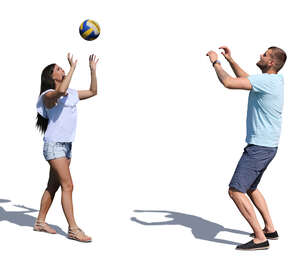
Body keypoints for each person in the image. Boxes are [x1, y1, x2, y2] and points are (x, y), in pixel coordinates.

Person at [206, 46, 286, 250]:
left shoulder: (266, 81)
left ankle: (260, 238)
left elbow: (229, 82)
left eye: (265, 54)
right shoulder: (274, 80)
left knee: (235, 191)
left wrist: (216, 62)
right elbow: (247, 78)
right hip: (268, 146)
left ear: (270, 63)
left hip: (259, 147)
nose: (261, 54)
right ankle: (270, 228)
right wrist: (231, 60)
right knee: (250, 187)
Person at [35, 53, 99, 242]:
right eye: (58, 69)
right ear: (51, 76)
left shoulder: (71, 93)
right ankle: (73, 229)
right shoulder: (47, 95)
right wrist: (72, 68)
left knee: (53, 185)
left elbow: (93, 91)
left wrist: (92, 71)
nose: (62, 69)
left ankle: (40, 221)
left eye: (62, 68)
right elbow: (60, 92)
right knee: (68, 185)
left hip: (66, 146)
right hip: (54, 146)